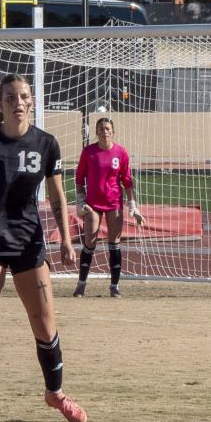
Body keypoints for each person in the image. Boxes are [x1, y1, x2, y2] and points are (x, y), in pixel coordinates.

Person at [0, 76, 88, 422]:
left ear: (31, 101)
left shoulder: (46, 143)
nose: (18, 102)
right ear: (0, 102)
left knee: (45, 324)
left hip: (29, 243)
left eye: (24, 96)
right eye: (11, 96)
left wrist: (66, 240)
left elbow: (58, 197)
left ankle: (55, 393)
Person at [74, 116, 144, 297]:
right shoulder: (89, 152)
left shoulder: (121, 152)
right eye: (101, 129)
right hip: (93, 205)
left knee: (114, 244)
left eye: (107, 129)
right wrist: (80, 200)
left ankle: (114, 287)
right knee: (90, 242)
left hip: (114, 203)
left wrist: (133, 206)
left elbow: (127, 180)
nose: (105, 132)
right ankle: (81, 285)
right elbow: (80, 177)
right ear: (96, 132)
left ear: (113, 132)